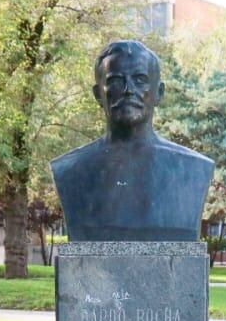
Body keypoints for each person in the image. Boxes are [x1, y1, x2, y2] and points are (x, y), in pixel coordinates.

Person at [50, 39, 213, 241]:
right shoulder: (70, 170)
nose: (128, 89)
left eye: (140, 79)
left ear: (158, 93)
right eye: (115, 80)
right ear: (98, 94)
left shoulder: (192, 169)